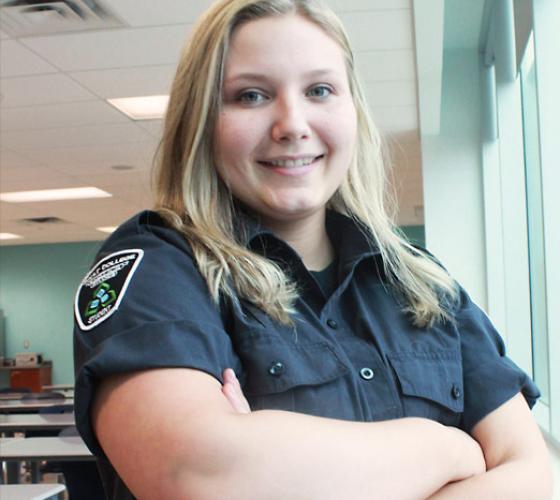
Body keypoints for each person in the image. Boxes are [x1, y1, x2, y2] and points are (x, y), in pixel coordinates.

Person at [73, 0, 553, 498]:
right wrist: (447, 449)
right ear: (202, 119)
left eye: (319, 90)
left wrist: (278, 464)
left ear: (352, 110)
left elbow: (533, 475)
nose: (291, 124)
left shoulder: (421, 281)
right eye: (251, 95)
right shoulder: (160, 267)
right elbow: (197, 473)